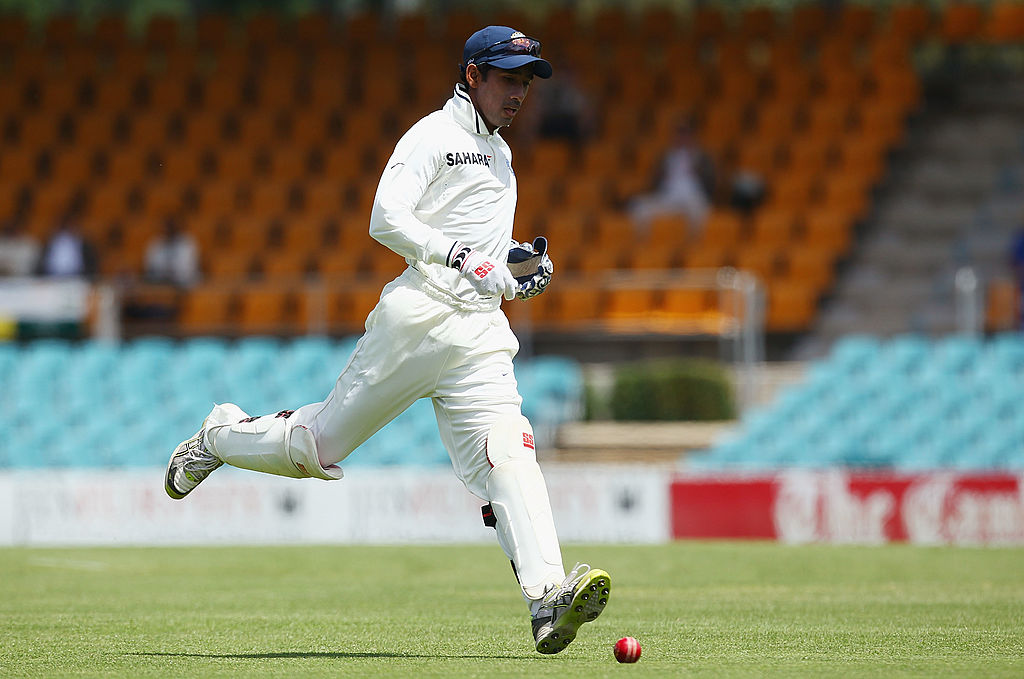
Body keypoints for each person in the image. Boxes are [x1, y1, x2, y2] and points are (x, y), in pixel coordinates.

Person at [164, 26, 610, 656]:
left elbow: (474, 244)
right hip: (417, 319)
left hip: (479, 330)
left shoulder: (503, 155)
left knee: (508, 452)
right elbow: (385, 217)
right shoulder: (432, 135)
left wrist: (511, 263)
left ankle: (546, 599)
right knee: (318, 445)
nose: (519, 94)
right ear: (474, 75)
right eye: (508, 79)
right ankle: (217, 436)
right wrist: (455, 254)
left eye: (527, 82)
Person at [628, 119, 715, 236]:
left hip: (692, 197)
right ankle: (643, 247)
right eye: (679, 134)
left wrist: (696, 169)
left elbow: (711, 181)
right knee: (639, 207)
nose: (682, 138)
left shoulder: (702, 157)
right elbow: (653, 182)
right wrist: (663, 175)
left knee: (699, 211)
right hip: (669, 198)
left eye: (685, 134)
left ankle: (693, 249)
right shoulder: (666, 157)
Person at [144, 216, 200, 287]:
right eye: (167, 228)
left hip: (183, 283)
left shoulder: (188, 242)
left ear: (178, 228)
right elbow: (151, 265)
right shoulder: (156, 243)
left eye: (172, 227)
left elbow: (187, 267)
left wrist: (170, 271)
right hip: (160, 282)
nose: (169, 230)